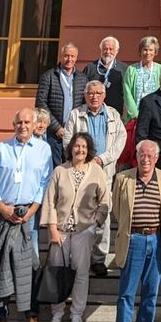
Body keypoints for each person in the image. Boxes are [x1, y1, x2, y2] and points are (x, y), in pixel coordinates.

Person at [0, 108, 52, 322]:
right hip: (2, 214)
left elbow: (45, 182)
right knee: (1, 262)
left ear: (35, 125)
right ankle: (0, 316)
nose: (23, 126)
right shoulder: (2, 148)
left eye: (27, 122)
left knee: (29, 265)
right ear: (14, 125)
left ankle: (31, 315)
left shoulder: (44, 150)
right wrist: (1, 207)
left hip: (27, 216)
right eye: (18, 122)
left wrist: (32, 211)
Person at [113, 140, 161, 322]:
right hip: (133, 240)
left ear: (156, 158)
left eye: (150, 155)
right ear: (136, 156)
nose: (145, 159)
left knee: (150, 295)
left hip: (157, 240)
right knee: (126, 294)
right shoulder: (123, 179)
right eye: (142, 154)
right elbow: (118, 212)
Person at [40, 132, 110, 322]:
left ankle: (77, 315)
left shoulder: (96, 171)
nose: (80, 150)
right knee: (57, 272)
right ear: (71, 148)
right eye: (77, 146)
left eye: (84, 147)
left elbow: (105, 201)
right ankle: (57, 314)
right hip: (60, 231)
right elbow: (50, 201)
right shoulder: (60, 171)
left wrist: (95, 223)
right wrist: (52, 228)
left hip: (83, 231)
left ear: (89, 150)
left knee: (81, 273)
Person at [63, 80, 127, 277]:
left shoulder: (114, 115)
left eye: (98, 93)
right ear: (85, 95)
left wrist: (102, 159)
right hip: (80, 172)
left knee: (103, 215)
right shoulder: (76, 114)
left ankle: (99, 258)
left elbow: (120, 141)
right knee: (78, 212)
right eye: (91, 93)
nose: (94, 96)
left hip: (105, 172)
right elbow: (68, 139)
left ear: (104, 95)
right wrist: (85, 160)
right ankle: (77, 256)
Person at [36, 42, 87, 166]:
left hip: (74, 132)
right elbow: (41, 103)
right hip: (54, 133)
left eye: (72, 56)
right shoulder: (48, 76)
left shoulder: (82, 78)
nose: (69, 59)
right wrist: (57, 127)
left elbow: (85, 104)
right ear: (61, 56)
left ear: (76, 58)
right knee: (54, 167)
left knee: (71, 166)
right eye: (66, 56)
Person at [123, 36, 161, 123]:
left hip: (155, 116)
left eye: (151, 50)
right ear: (140, 52)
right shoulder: (132, 69)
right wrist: (135, 115)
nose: (147, 53)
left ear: (155, 52)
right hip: (135, 117)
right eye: (145, 49)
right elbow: (127, 93)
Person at [83, 36, 127, 116]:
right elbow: (83, 90)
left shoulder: (124, 68)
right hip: (92, 113)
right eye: (105, 49)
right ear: (101, 50)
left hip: (115, 115)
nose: (107, 51)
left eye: (111, 49)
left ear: (117, 51)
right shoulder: (90, 67)